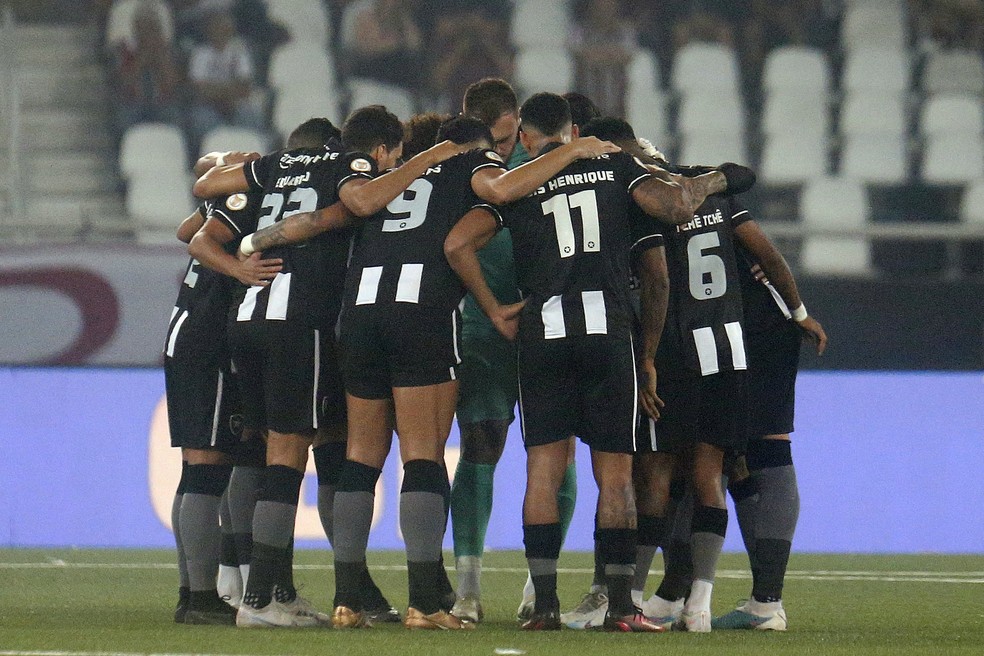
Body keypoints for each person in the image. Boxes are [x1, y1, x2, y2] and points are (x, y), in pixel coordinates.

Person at [232, 110, 622, 630]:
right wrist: (569, 152)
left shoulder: (390, 178)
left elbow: (322, 220)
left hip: (360, 316)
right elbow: (494, 200)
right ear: (476, 146)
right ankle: (426, 604)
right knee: (422, 454)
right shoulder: (472, 164)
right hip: (421, 316)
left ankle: (347, 600)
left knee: (360, 456)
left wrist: (256, 242)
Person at [444, 92, 733, 632]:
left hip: (543, 335)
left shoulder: (523, 181)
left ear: (526, 136)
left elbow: (459, 245)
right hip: (608, 335)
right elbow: (667, 232)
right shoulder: (613, 166)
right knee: (615, 474)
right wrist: (646, 355)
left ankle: (544, 606)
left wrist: (494, 309)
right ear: (574, 131)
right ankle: (621, 606)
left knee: (542, 472)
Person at [191, 113, 476, 628]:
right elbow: (358, 203)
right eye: (393, 159)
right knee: (290, 458)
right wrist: (431, 157)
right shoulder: (353, 166)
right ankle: (263, 598)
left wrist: (242, 246)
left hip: (249, 314)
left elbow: (203, 194)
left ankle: (285, 588)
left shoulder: (276, 166)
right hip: (304, 321)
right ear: (383, 151)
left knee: (267, 452)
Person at [165, 149, 281, 625]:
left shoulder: (227, 196)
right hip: (207, 340)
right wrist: (239, 269)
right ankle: (200, 597)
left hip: (186, 333)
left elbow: (183, 231)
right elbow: (197, 244)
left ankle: (190, 590)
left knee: (196, 471)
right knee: (207, 472)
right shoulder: (247, 198)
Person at [711, 245, 827, 631]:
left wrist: (800, 313)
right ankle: (763, 600)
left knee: (752, 449)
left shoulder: (694, 192)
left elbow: (767, 250)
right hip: (737, 322)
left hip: (747, 325)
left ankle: (763, 601)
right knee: (738, 456)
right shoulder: (714, 195)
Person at [186, 9, 267, 156]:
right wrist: (227, 92)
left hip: (236, 103)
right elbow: (200, 90)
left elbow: (245, 87)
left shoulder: (240, 51)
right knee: (201, 119)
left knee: (250, 115)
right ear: (209, 31)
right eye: (216, 27)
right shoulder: (200, 54)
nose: (220, 31)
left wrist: (219, 91)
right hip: (209, 105)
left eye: (224, 27)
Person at [108, 1, 183, 138]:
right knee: (124, 120)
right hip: (133, 102)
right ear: (136, 28)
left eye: (154, 27)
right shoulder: (124, 50)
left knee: (175, 119)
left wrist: (160, 57)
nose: (150, 31)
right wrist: (143, 57)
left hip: (162, 102)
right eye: (146, 26)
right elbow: (124, 82)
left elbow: (172, 83)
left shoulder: (168, 50)